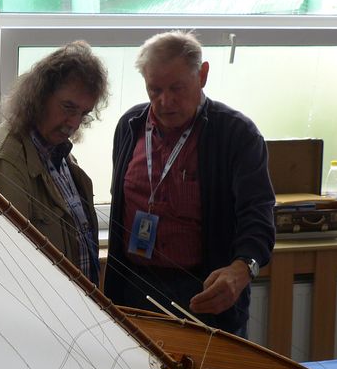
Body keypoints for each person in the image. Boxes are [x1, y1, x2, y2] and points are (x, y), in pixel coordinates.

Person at [103, 31, 275, 336]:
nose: (165, 101)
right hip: (134, 287)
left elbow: (258, 215)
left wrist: (241, 270)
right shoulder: (130, 126)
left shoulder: (237, 134)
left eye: (176, 88)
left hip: (205, 292)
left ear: (202, 75)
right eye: (154, 89)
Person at [0, 41, 107, 286]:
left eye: (83, 113)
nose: (74, 123)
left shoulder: (58, 151)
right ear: (39, 96)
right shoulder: (4, 161)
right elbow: (2, 267)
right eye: (68, 108)